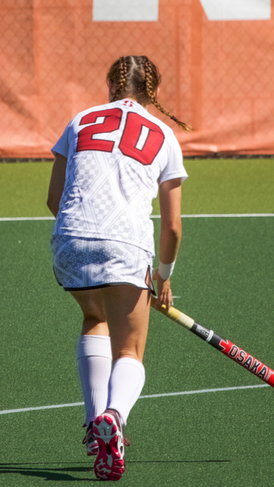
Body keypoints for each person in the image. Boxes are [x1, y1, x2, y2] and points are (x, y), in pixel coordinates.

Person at [46, 55, 191, 480]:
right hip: (126, 245)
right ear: (153, 91)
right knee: (130, 349)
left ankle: (96, 428)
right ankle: (114, 415)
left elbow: (54, 199)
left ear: (110, 86)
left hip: (70, 239)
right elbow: (173, 226)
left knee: (94, 318)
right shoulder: (164, 135)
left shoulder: (79, 120)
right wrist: (162, 277)